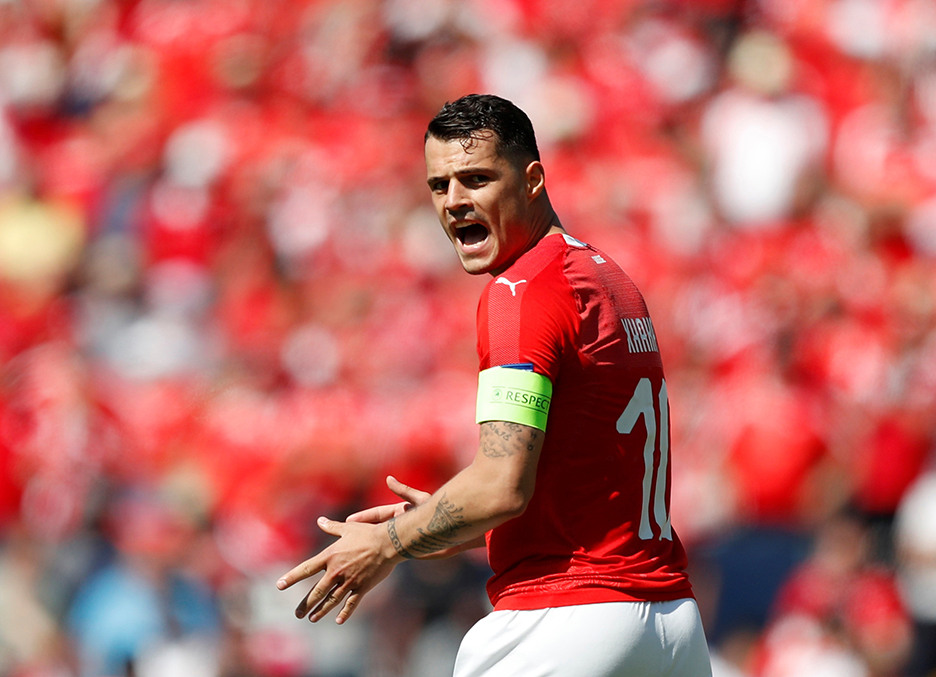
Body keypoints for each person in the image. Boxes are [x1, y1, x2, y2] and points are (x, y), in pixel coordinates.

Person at [277, 94, 712, 676]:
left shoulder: (520, 292)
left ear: (532, 180)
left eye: (476, 179)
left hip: (568, 619)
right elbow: (581, 487)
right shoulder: (611, 279)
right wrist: (443, 521)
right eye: (439, 186)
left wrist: (390, 543)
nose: (454, 201)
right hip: (671, 625)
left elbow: (502, 486)